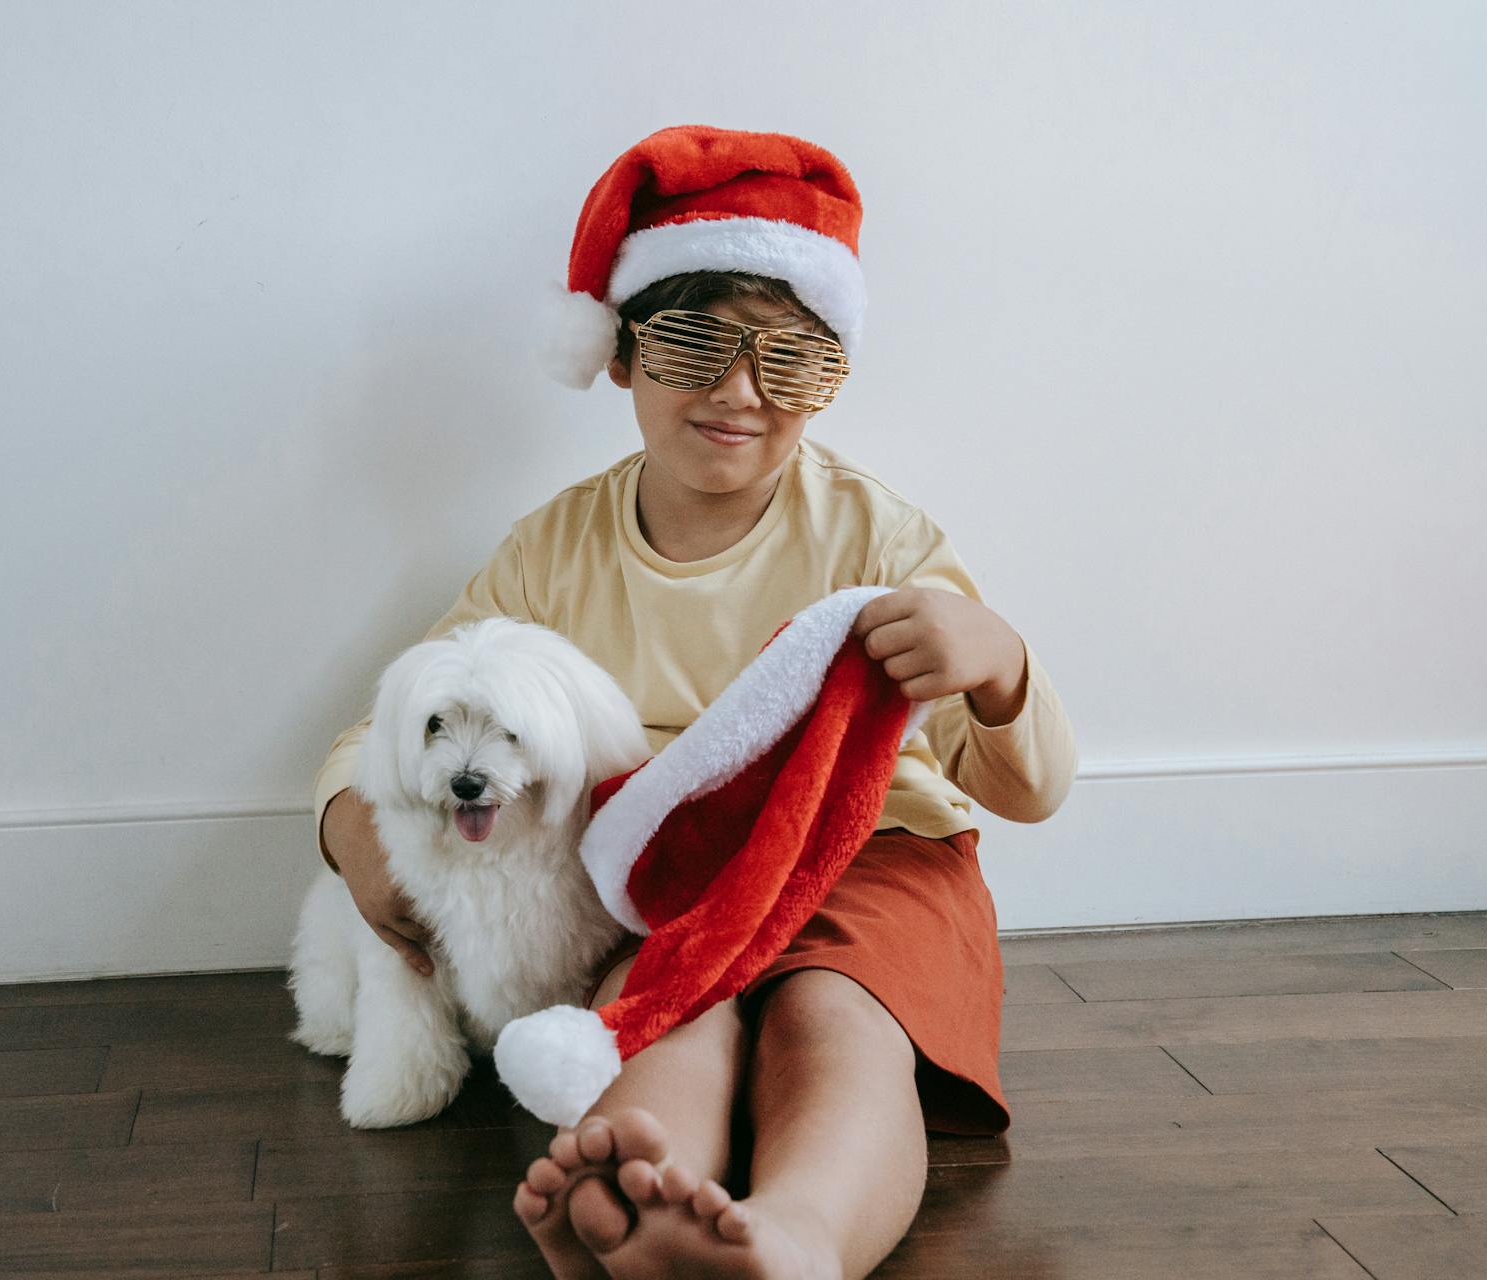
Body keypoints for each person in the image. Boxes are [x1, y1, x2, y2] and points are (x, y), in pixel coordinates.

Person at [311, 125, 1077, 1279]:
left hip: (870, 848)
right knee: (652, 1010)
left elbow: (1026, 787)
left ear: (831, 380)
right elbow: (393, 727)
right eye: (692, 345)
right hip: (660, 870)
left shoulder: (881, 534)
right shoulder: (555, 549)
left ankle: (799, 1236)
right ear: (618, 353)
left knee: (838, 1014)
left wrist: (1003, 665)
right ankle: (632, 1198)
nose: (738, 393)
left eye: (790, 363)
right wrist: (354, 836)